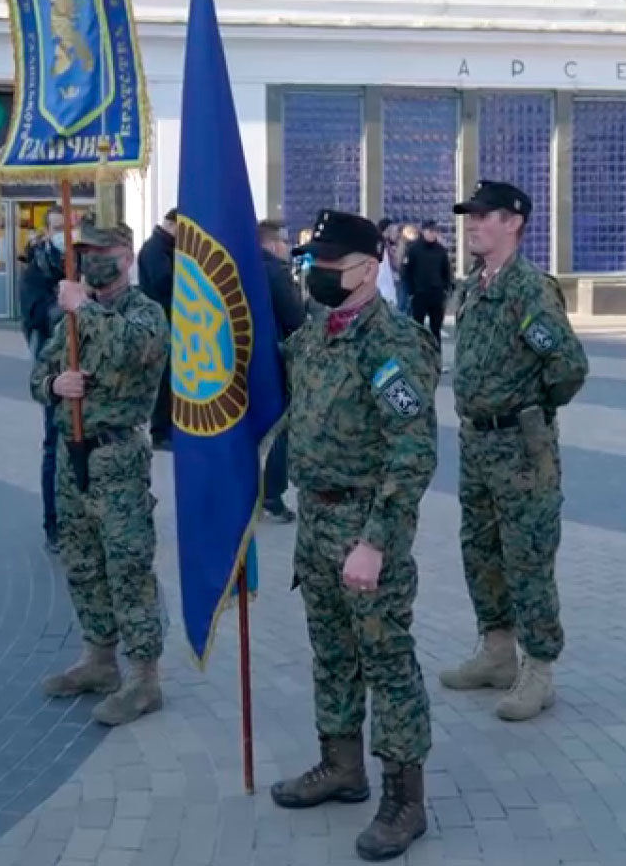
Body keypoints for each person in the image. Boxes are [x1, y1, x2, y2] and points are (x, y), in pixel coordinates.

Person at [268, 208, 438, 861]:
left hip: (366, 526)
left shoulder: (391, 346)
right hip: (316, 519)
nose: (317, 277)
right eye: (313, 265)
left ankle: (404, 798)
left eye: (331, 267)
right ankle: (341, 764)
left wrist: (376, 541)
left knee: (386, 660)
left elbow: (412, 452)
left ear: (368, 270)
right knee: (332, 652)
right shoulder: (316, 334)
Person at [437, 181, 587, 721]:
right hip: (477, 442)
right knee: (480, 550)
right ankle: (497, 652)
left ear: (514, 222)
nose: (473, 224)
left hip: (520, 448)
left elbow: (568, 366)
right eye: (470, 216)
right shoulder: (473, 286)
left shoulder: (529, 290)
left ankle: (539, 668)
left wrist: (530, 408)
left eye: (485, 216)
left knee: (527, 555)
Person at [30, 222, 170, 727]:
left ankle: (144, 677)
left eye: (102, 251)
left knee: (128, 566)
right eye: (84, 252)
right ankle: (99, 659)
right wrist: (54, 383)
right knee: (82, 561)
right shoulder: (69, 316)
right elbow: (36, 376)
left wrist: (83, 308)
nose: (91, 260)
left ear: (127, 257)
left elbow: (132, 351)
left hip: (118, 456)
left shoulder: (144, 314)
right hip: (73, 456)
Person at [20, 208, 67, 550]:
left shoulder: (82, 262)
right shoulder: (36, 269)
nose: (64, 231)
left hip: (87, 364)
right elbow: (35, 314)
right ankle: (53, 523)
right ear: (46, 231)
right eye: (57, 227)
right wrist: (62, 307)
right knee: (53, 443)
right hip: (52, 365)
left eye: (68, 225)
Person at [258, 219, 307, 523]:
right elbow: (295, 317)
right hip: (273, 359)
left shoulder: (238, 267)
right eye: (285, 242)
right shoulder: (276, 272)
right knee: (278, 429)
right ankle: (272, 494)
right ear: (274, 244)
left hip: (240, 362)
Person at [137, 208, 178, 450]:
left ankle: (166, 426)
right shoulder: (156, 249)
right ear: (173, 224)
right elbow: (163, 282)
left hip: (166, 318)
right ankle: (160, 430)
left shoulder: (163, 247)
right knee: (163, 378)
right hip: (161, 319)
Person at [401, 221, 452, 342]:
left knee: (436, 328)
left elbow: (446, 270)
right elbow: (407, 271)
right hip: (419, 293)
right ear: (423, 231)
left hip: (436, 293)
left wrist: (445, 287)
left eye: (435, 231)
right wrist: (411, 291)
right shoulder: (413, 249)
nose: (432, 234)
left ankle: (436, 355)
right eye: (430, 231)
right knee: (417, 327)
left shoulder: (440, 250)